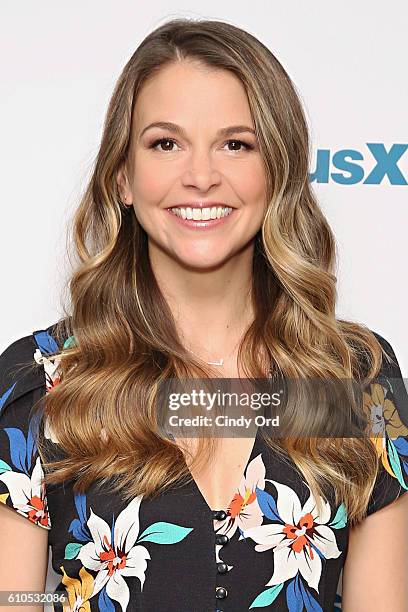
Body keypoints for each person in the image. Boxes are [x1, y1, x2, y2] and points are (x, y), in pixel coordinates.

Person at [0, 17, 407, 612]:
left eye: (236, 144)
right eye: (166, 143)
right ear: (123, 176)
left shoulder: (357, 379)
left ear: (279, 172)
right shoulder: (44, 381)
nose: (200, 176)